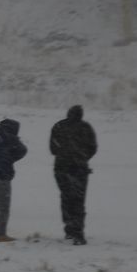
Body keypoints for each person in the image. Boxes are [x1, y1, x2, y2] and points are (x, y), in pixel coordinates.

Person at [49, 105, 97, 245]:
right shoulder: (86, 127)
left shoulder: (59, 126)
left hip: (61, 168)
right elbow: (93, 148)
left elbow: (52, 148)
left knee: (66, 197)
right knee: (79, 200)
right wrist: (82, 157)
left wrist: (63, 154)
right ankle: (78, 232)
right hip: (79, 169)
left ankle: (69, 228)